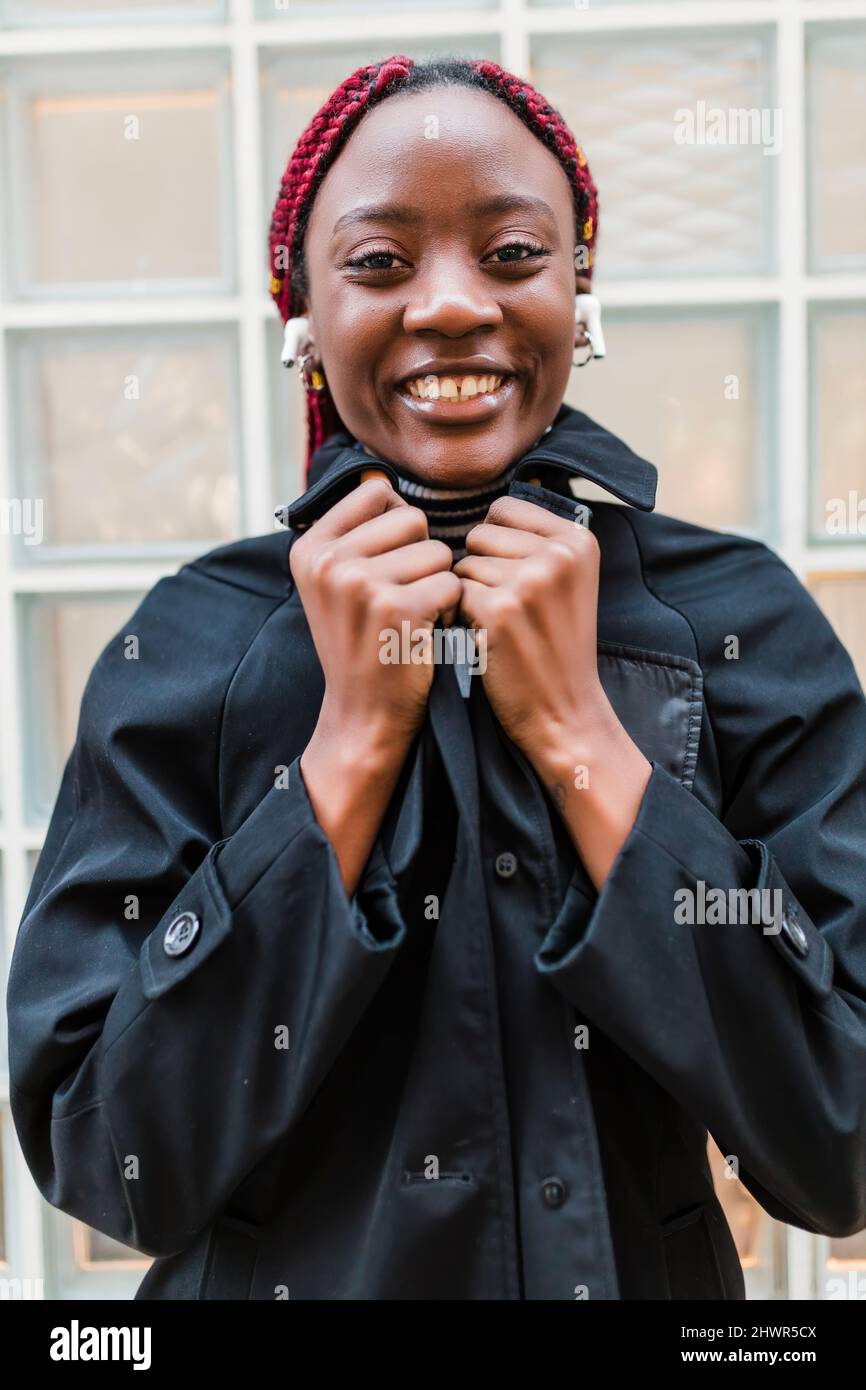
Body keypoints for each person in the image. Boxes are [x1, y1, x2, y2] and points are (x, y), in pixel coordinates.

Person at [7, 55, 866, 1302]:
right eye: (379, 262)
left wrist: (582, 737)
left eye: (513, 253)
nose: (453, 305)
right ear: (297, 310)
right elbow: (108, 1158)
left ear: (579, 291)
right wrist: (347, 751)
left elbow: (837, 1142)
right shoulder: (194, 643)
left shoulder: (735, 626)